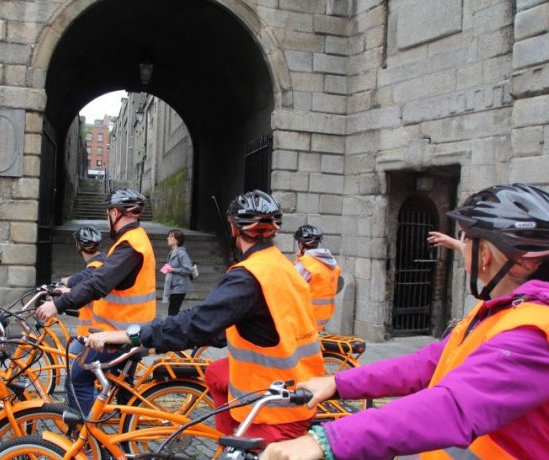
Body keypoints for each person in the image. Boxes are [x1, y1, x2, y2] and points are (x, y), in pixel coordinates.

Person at [261, 183, 549, 460]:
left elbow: (453, 406)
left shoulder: (531, 335)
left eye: (467, 240)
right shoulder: (502, 311)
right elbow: (426, 365)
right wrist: (338, 382)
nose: (463, 251)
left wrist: (327, 439)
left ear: (485, 255)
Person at [83, 190, 324, 444]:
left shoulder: (248, 276)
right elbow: (248, 323)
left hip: (273, 412)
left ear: (233, 230)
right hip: (300, 385)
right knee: (216, 373)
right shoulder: (284, 267)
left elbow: (195, 323)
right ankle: (228, 437)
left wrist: (130, 336)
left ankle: (236, 443)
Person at [36, 189, 156, 413]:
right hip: (132, 330)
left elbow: (98, 283)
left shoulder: (130, 245)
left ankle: (90, 440)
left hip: (121, 333)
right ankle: (124, 439)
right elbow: (96, 277)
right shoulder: (133, 240)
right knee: (122, 388)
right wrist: (70, 290)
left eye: (107, 213)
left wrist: (57, 305)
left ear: (114, 213)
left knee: (78, 377)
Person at [60, 226, 107, 410]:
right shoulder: (103, 261)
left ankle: (87, 416)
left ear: (78, 247)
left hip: (95, 331)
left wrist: (65, 284)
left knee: (76, 375)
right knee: (76, 363)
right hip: (97, 329)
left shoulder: (95, 267)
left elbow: (78, 280)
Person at [293, 224, 343, 333]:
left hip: (304, 321)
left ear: (301, 244)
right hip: (321, 320)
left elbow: (290, 290)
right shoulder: (332, 265)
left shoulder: (305, 265)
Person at [162, 228, 194, 316]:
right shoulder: (171, 252)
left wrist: (173, 270)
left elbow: (189, 269)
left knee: (172, 311)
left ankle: (174, 327)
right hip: (173, 286)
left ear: (176, 240)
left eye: (170, 237)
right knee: (173, 311)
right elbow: (169, 266)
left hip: (180, 286)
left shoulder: (181, 253)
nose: (167, 238)